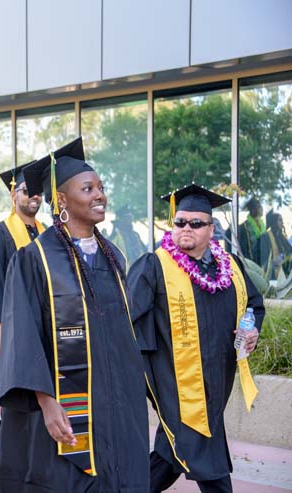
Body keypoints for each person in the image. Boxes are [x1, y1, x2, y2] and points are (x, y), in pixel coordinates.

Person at [0, 139, 152, 492]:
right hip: (63, 402)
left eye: (101, 188)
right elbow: (24, 336)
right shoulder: (34, 259)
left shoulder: (113, 257)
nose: (99, 196)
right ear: (62, 199)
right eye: (88, 189)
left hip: (116, 403)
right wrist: (46, 401)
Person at [128, 184, 265, 492]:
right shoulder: (155, 266)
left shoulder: (230, 268)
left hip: (217, 379)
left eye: (195, 223)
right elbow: (125, 318)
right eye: (179, 222)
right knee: (201, 448)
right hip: (175, 383)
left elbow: (254, 305)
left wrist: (252, 328)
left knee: (171, 454)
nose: (186, 228)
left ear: (211, 229)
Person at [0, 160, 45, 359]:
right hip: (14, 326)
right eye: (27, 190)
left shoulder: (47, 234)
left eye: (39, 191)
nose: (34, 196)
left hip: (45, 324)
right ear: (13, 194)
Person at [254, 210, 292, 280]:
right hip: (271, 277)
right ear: (274, 221)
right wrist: (274, 262)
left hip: (284, 275)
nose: (282, 223)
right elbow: (262, 260)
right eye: (280, 220)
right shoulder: (265, 237)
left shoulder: (281, 237)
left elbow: (290, 252)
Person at [236, 197, 264, 263]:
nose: (262, 209)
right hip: (252, 262)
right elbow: (245, 249)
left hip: (262, 260)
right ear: (253, 210)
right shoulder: (244, 228)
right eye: (259, 207)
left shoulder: (262, 225)